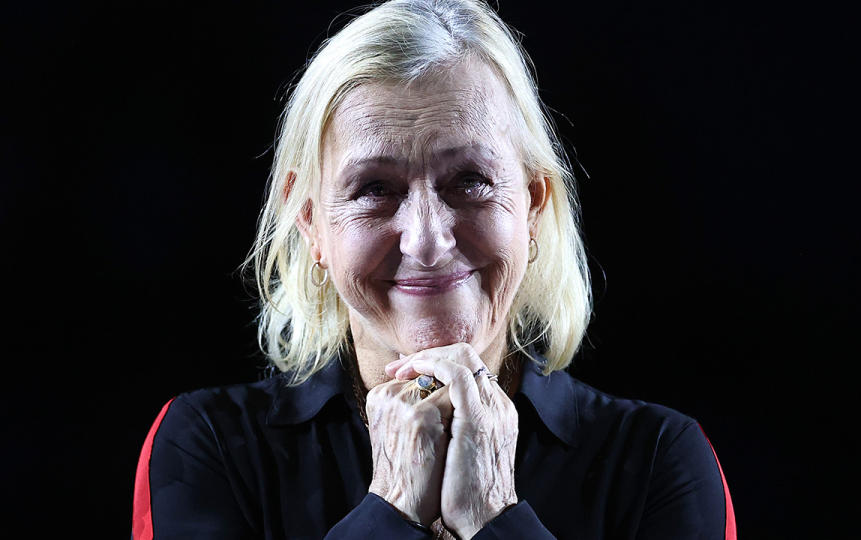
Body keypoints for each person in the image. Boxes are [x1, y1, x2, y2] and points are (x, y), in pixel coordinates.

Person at [131, 0, 736, 538]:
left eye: (470, 181)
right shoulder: (208, 445)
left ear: (532, 204)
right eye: (374, 188)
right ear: (311, 222)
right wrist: (389, 509)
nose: (426, 241)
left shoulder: (661, 458)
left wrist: (497, 517)